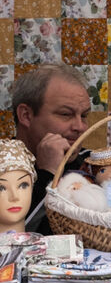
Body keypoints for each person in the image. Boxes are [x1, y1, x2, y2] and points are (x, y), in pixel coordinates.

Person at [11, 64, 92, 233]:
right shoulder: (4, 167)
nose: (80, 127)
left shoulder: (92, 166)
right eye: (65, 114)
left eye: (84, 115)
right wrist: (48, 174)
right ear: (26, 115)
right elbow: (8, 236)